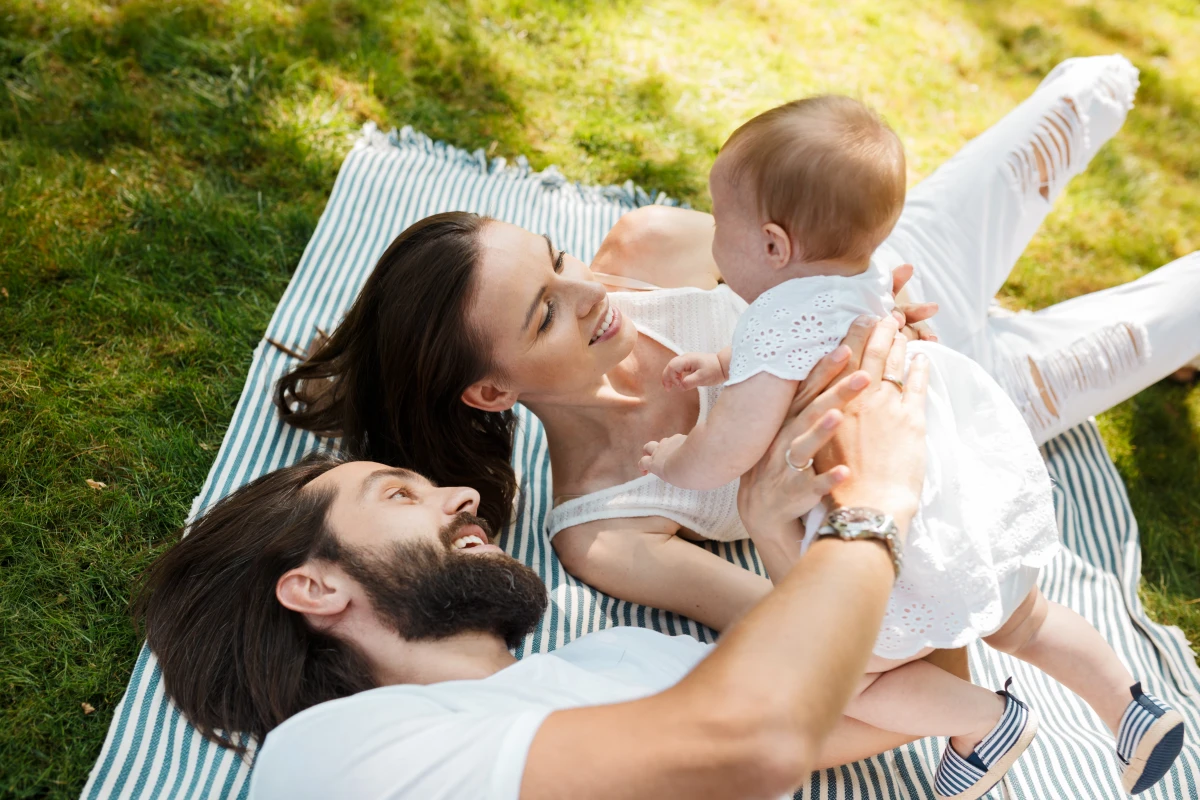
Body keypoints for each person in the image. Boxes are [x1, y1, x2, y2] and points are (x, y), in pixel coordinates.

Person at [274, 54, 1200, 643]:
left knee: (1088, 90)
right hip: (962, 406)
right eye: (546, 314)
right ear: (489, 393)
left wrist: (884, 293)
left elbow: (795, 251)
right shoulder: (604, 527)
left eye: (557, 261)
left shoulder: (638, 251)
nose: (592, 292)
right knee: (1180, 312)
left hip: (906, 269)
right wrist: (766, 512)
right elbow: (798, 630)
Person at [638, 94, 1183, 798]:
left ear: (774, 245)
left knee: (846, 676)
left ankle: (986, 722)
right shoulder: (858, 273)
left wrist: (677, 457)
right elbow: (799, 347)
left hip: (895, 534)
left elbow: (731, 445)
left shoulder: (776, 317)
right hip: (958, 486)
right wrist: (725, 363)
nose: (713, 235)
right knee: (1026, 617)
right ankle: (1131, 708)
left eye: (719, 221)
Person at [141, 329, 937, 798]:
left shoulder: (621, 657)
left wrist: (784, 529)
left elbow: (898, 692)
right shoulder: (326, 756)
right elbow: (751, 739)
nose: (460, 496)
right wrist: (872, 511)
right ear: (316, 586)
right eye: (397, 495)